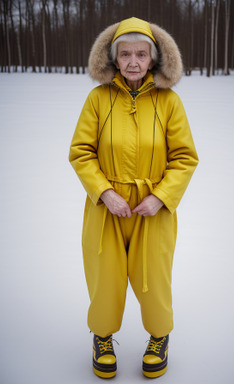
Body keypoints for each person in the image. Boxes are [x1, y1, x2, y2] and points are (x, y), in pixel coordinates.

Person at [69, 17, 198, 379]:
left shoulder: (169, 102)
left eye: (141, 54)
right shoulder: (97, 99)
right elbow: (81, 152)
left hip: (153, 210)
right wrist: (104, 192)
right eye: (124, 54)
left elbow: (185, 158)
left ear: (154, 59)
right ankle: (102, 337)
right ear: (113, 58)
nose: (132, 62)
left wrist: (160, 197)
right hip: (105, 209)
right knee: (105, 277)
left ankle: (160, 337)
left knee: (154, 278)